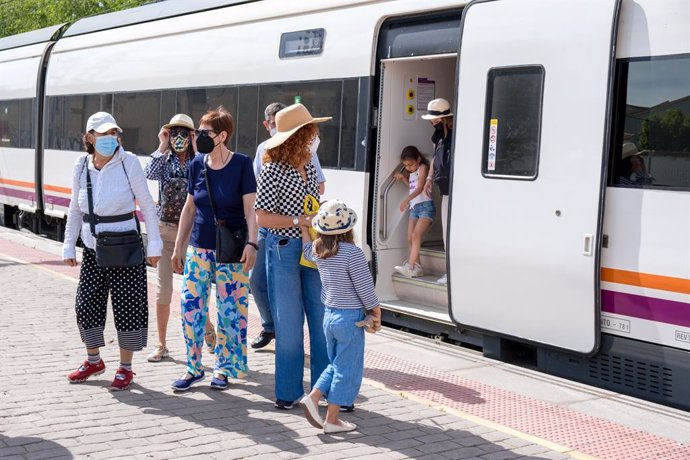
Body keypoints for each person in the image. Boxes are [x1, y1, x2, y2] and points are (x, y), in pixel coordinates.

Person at [63, 111, 162, 391]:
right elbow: (74, 208)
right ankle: (93, 360)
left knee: (127, 308)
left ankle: (125, 367)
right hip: (94, 248)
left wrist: (154, 245)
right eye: (103, 134)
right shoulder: (81, 165)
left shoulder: (128, 162)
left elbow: (146, 205)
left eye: (113, 134)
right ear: (90, 137)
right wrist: (69, 244)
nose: (109, 139)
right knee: (85, 306)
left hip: (125, 248)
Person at [170, 106, 258, 391]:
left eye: (205, 132)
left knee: (230, 310)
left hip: (230, 249)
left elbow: (250, 211)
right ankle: (194, 367)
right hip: (199, 248)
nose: (199, 136)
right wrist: (179, 246)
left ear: (222, 135)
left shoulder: (242, 164)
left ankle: (224, 367)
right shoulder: (197, 163)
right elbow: (189, 206)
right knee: (191, 307)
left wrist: (252, 243)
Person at [254, 103, 330, 410]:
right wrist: (301, 221)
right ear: (299, 135)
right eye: (309, 131)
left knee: (321, 319)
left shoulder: (309, 164)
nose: (313, 136)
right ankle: (287, 393)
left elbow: (314, 201)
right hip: (283, 248)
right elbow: (262, 218)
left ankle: (324, 391)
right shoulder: (272, 169)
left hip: (313, 248)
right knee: (288, 323)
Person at [298, 199, 382, 434]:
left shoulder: (318, 250)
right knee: (348, 369)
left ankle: (314, 397)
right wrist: (376, 311)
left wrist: (304, 228)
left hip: (330, 317)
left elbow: (306, 249)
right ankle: (332, 419)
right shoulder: (352, 254)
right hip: (349, 320)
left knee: (336, 364)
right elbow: (365, 289)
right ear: (348, 228)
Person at [144, 114, 216, 363]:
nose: (179, 137)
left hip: (190, 233)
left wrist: (198, 148)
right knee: (163, 290)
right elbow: (149, 174)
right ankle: (161, 344)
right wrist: (161, 145)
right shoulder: (164, 160)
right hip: (164, 231)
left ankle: (207, 329)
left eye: (184, 133)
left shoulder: (199, 161)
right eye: (174, 132)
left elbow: (208, 177)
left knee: (194, 288)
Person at [422, 98, 454, 285]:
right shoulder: (438, 136)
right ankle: (449, 272)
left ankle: (452, 274)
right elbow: (435, 157)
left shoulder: (455, 134)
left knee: (451, 232)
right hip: (445, 188)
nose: (432, 122)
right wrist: (428, 179)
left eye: (435, 119)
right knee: (446, 232)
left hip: (456, 189)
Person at [393, 146, 435, 278]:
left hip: (425, 207)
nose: (409, 168)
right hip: (414, 208)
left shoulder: (423, 168)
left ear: (418, 159)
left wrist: (406, 200)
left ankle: (410, 266)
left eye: (410, 164)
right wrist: (403, 177)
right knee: (410, 237)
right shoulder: (412, 172)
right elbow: (412, 187)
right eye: (405, 165)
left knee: (416, 235)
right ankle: (417, 267)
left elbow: (420, 187)